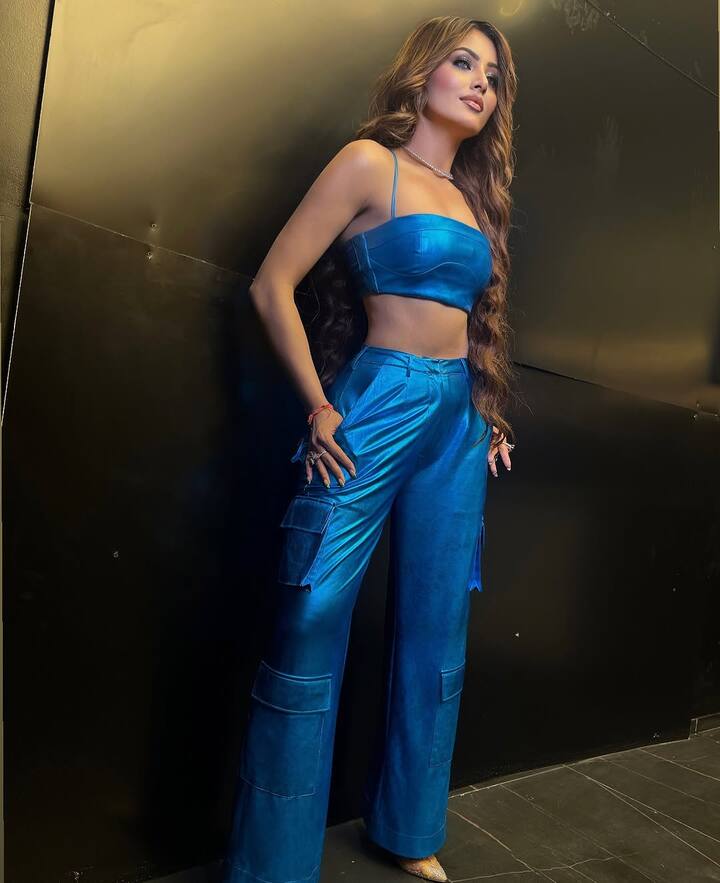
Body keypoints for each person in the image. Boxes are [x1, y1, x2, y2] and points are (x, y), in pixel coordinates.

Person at [223, 15, 518, 883]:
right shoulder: (368, 164)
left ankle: (408, 826)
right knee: (311, 613)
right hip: (378, 398)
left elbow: (475, 324)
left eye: (493, 74)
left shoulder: (473, 198)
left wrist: (488, 413)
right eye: (463, 62)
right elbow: (270, 284)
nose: (480, 81)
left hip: (457, 418)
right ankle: (271, 863)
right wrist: (318, 403)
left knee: (438, 623)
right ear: (423, 72)